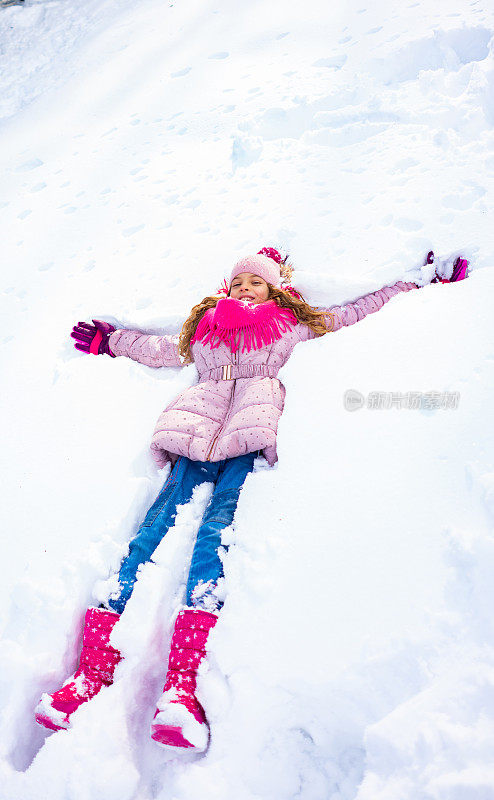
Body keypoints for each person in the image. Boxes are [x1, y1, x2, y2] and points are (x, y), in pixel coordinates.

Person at [34, 247, 469, 751]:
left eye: (255, 283)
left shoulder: (290, 325)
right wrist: (111, 341)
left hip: (246, 437)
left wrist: (420, 283)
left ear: (274, 289)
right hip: (191, 436)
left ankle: (181, 686)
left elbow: (354, 313)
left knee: (213, 539)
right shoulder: (206, 330)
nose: (244, 289)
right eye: (237, 282)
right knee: (146, 538)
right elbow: (157, 350)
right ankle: (91, 671)